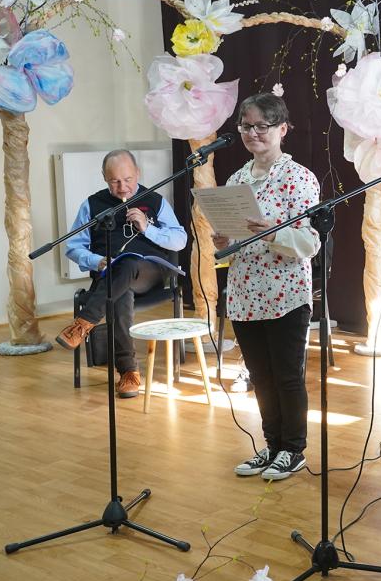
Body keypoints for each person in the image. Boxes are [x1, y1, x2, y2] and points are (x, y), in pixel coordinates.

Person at [213, 92, 320, 482]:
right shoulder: (237, 180)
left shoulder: (299, 178)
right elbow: (233, 241)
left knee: (286, 376)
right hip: (244, 292)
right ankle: (272, 445)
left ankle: (293, 449)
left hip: (285, 293)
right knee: (259, 375)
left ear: (282, 129)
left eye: (262, 125)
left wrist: (273, 234)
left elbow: (309, 243)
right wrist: (224, 241)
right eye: (246, 126)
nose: (253, 133)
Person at [57, 150, 188, 397]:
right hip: (110, 276)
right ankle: (128, 372)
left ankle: (84, 323)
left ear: (138, 173)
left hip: (150, 273)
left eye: (128, 179)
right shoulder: (92, 205)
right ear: (104, 178)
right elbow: (73, 247)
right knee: (121, 289)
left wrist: (147, 228)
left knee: (127, 265)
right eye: (115, 181)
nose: (123, 187)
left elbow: (180, 240)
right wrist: (96, 261)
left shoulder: (155, 200)